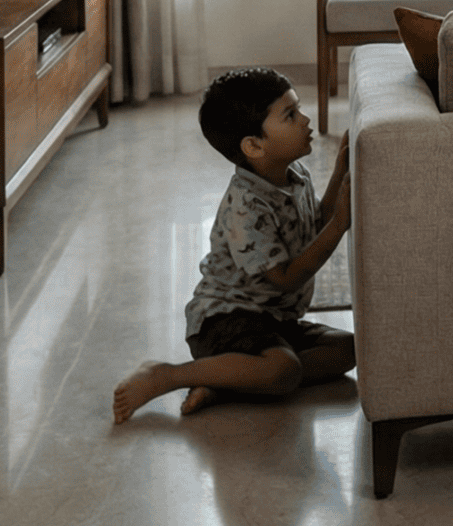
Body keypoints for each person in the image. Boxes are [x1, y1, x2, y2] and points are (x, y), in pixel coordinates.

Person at [113, 68, 356, 422]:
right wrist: (341, 225)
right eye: (290, 115)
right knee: (284, 371)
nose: (306, 120)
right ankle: (168, 374)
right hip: (226, 320)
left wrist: (338, 174)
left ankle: (231, 379)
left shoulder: (295, 174)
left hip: (274, 319)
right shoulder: (247, 206)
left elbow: (313, 228)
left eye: (298, 109)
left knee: (348, 350)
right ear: (253, 146)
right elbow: (285, 278)